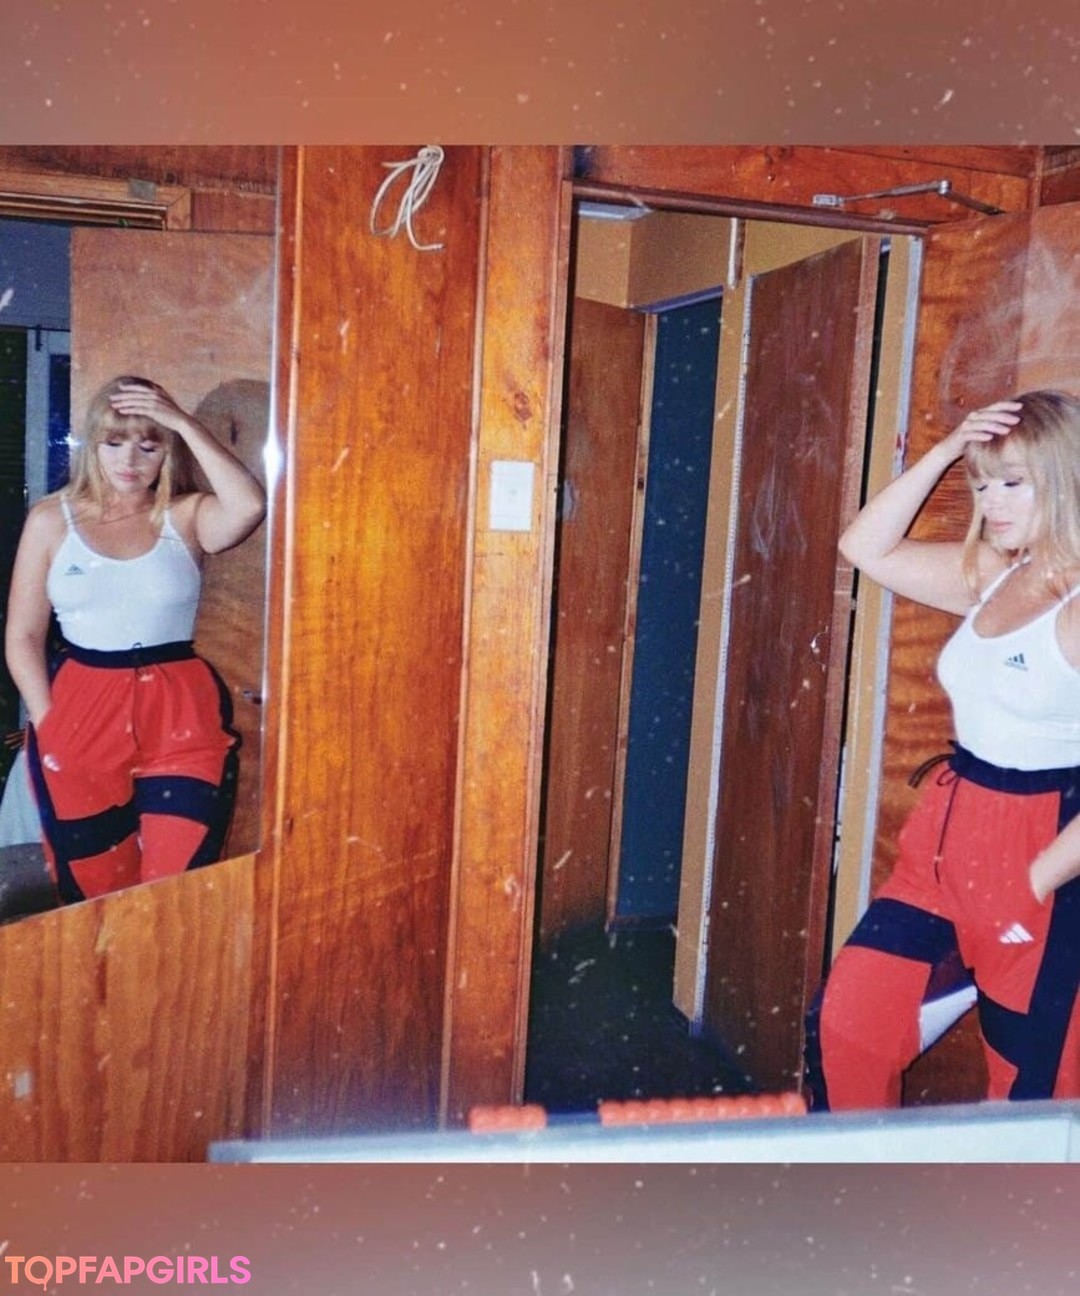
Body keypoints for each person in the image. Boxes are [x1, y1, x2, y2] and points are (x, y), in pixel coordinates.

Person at [806, 390, 1080, 1108]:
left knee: (1028, 1088)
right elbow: (864, 548)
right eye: (982, 485)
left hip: (1042, 849)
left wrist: (1034, 882)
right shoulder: (998, 573)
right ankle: (862, 1177)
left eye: (1013, 482)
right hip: (943, 844)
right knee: (850, 1029)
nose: (992, 503)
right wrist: (950, 449)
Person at [4, 375, 266, 904]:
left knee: (174, 887)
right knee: (97, 891)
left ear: (167, 452)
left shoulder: (184, 515)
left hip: (180, 714)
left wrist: (182, 422)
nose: (130, 460)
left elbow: (247, 507)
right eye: (114, 442)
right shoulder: (51, 520)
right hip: (83, 708)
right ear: (92, 446)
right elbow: (23, 635)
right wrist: (50, 723)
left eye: (149, 446)